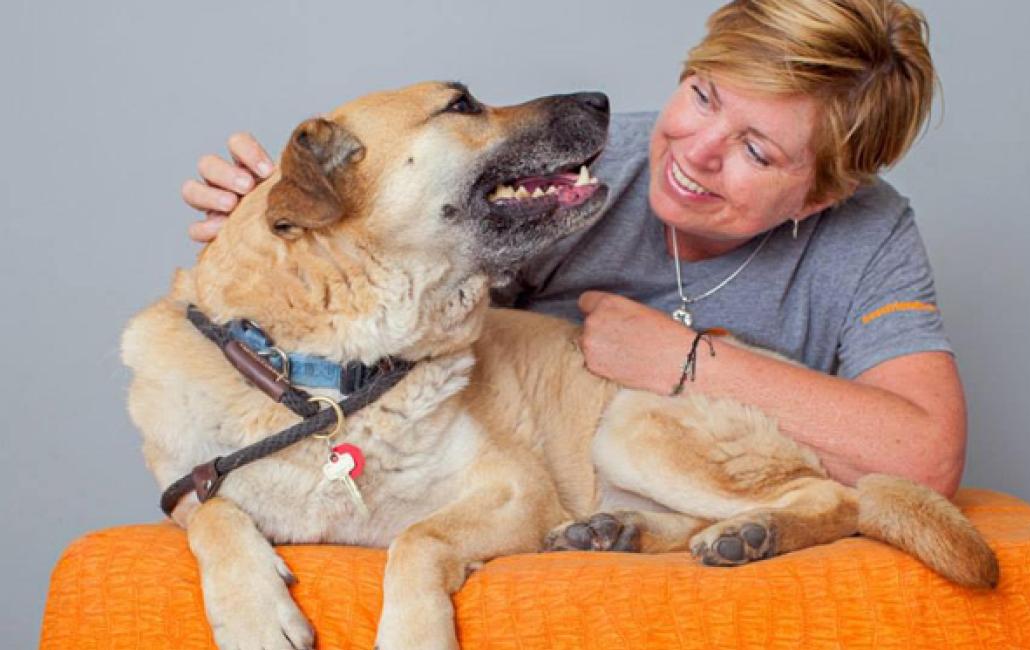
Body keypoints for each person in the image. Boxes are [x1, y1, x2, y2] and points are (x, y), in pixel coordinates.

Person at [181, 0, 966, 497]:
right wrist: (281, 232)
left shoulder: (868, 235)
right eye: (701, 96)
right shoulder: (568, 169)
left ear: (824, 193)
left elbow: (924, 456)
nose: (695, 151)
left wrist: (683, 362)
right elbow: (370, 312)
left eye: (756, 152)